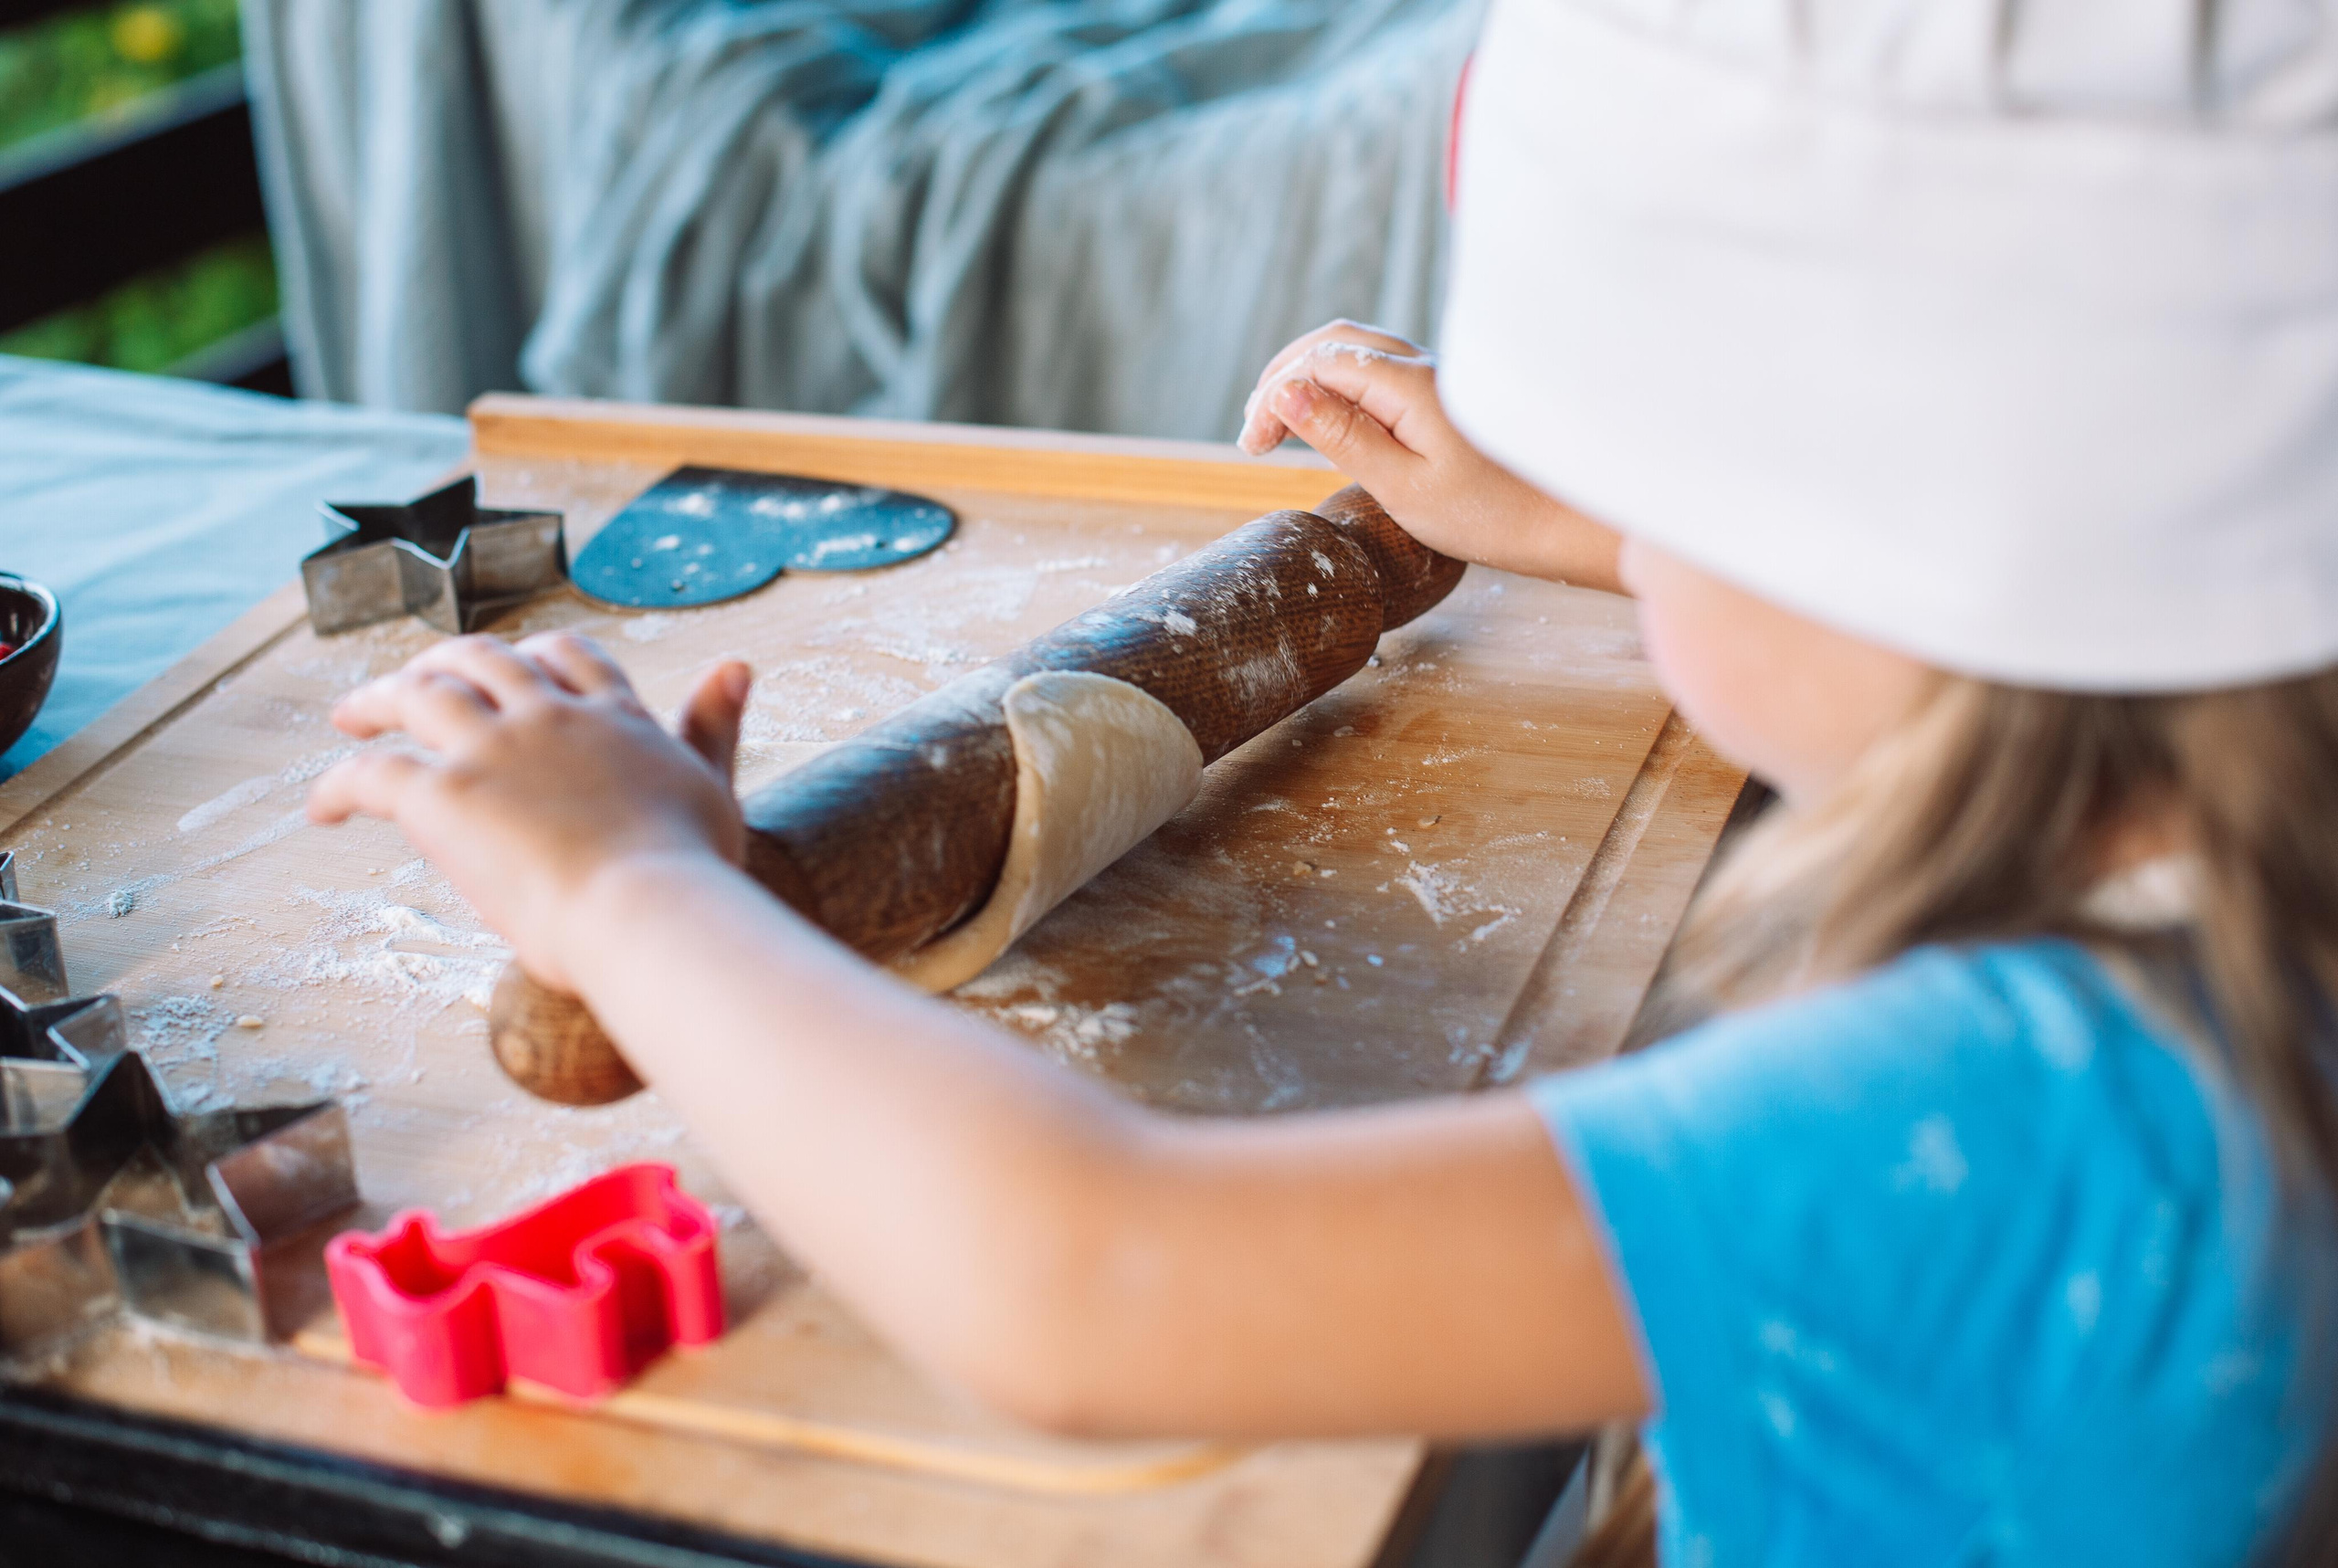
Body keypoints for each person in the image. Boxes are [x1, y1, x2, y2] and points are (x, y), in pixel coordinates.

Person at [308, 0, 2338, 1561]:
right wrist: (1578, 531)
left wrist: (628, 889)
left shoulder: (2023, 1118)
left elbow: (1083, 1280)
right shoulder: (2256, 926)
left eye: (1671, 488)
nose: (1630, 514)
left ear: (1895, 561)